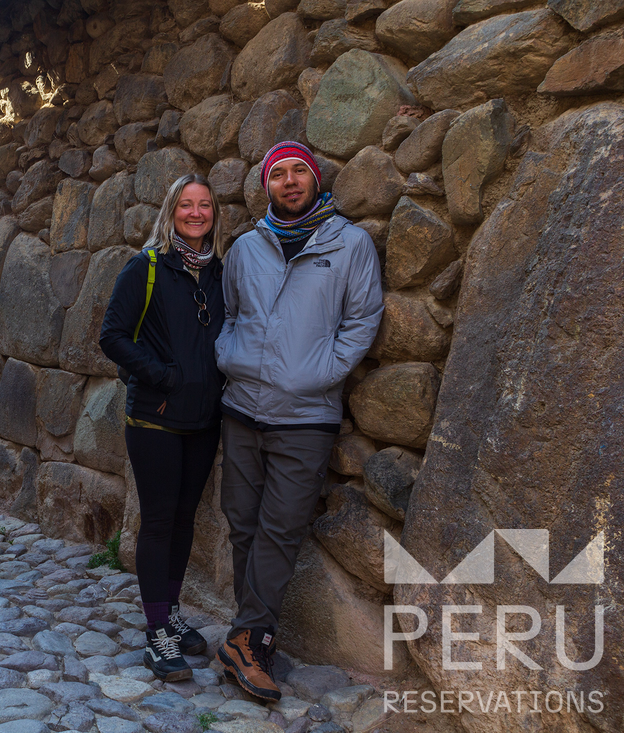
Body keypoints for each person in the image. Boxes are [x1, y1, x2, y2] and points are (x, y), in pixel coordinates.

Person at [214, 141, 384, 701]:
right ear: (267, 186)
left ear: (315, 179)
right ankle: (252, 641)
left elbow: (362, 320)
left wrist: (321, 372)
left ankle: (248, 639)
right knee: (242, 522)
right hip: (242, 408)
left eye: (298, 172)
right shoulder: (244, 249)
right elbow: (231, 314)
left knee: (281, 529)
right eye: (278, 174)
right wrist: (229, 355)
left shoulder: (350, 243)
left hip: (306, 416)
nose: (289, 181)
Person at [100, 174, 227, 682]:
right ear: (170, 211)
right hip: (154, 419)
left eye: (205, 206)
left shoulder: (217, 273)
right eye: (186, 205)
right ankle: (157, 635)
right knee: (156, 522)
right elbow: (112, 335)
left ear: (214, 214)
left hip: (203, 421)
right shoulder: (146, 267)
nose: (196, 214)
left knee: (182, 521)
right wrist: (163, 376)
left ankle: (171, 614)